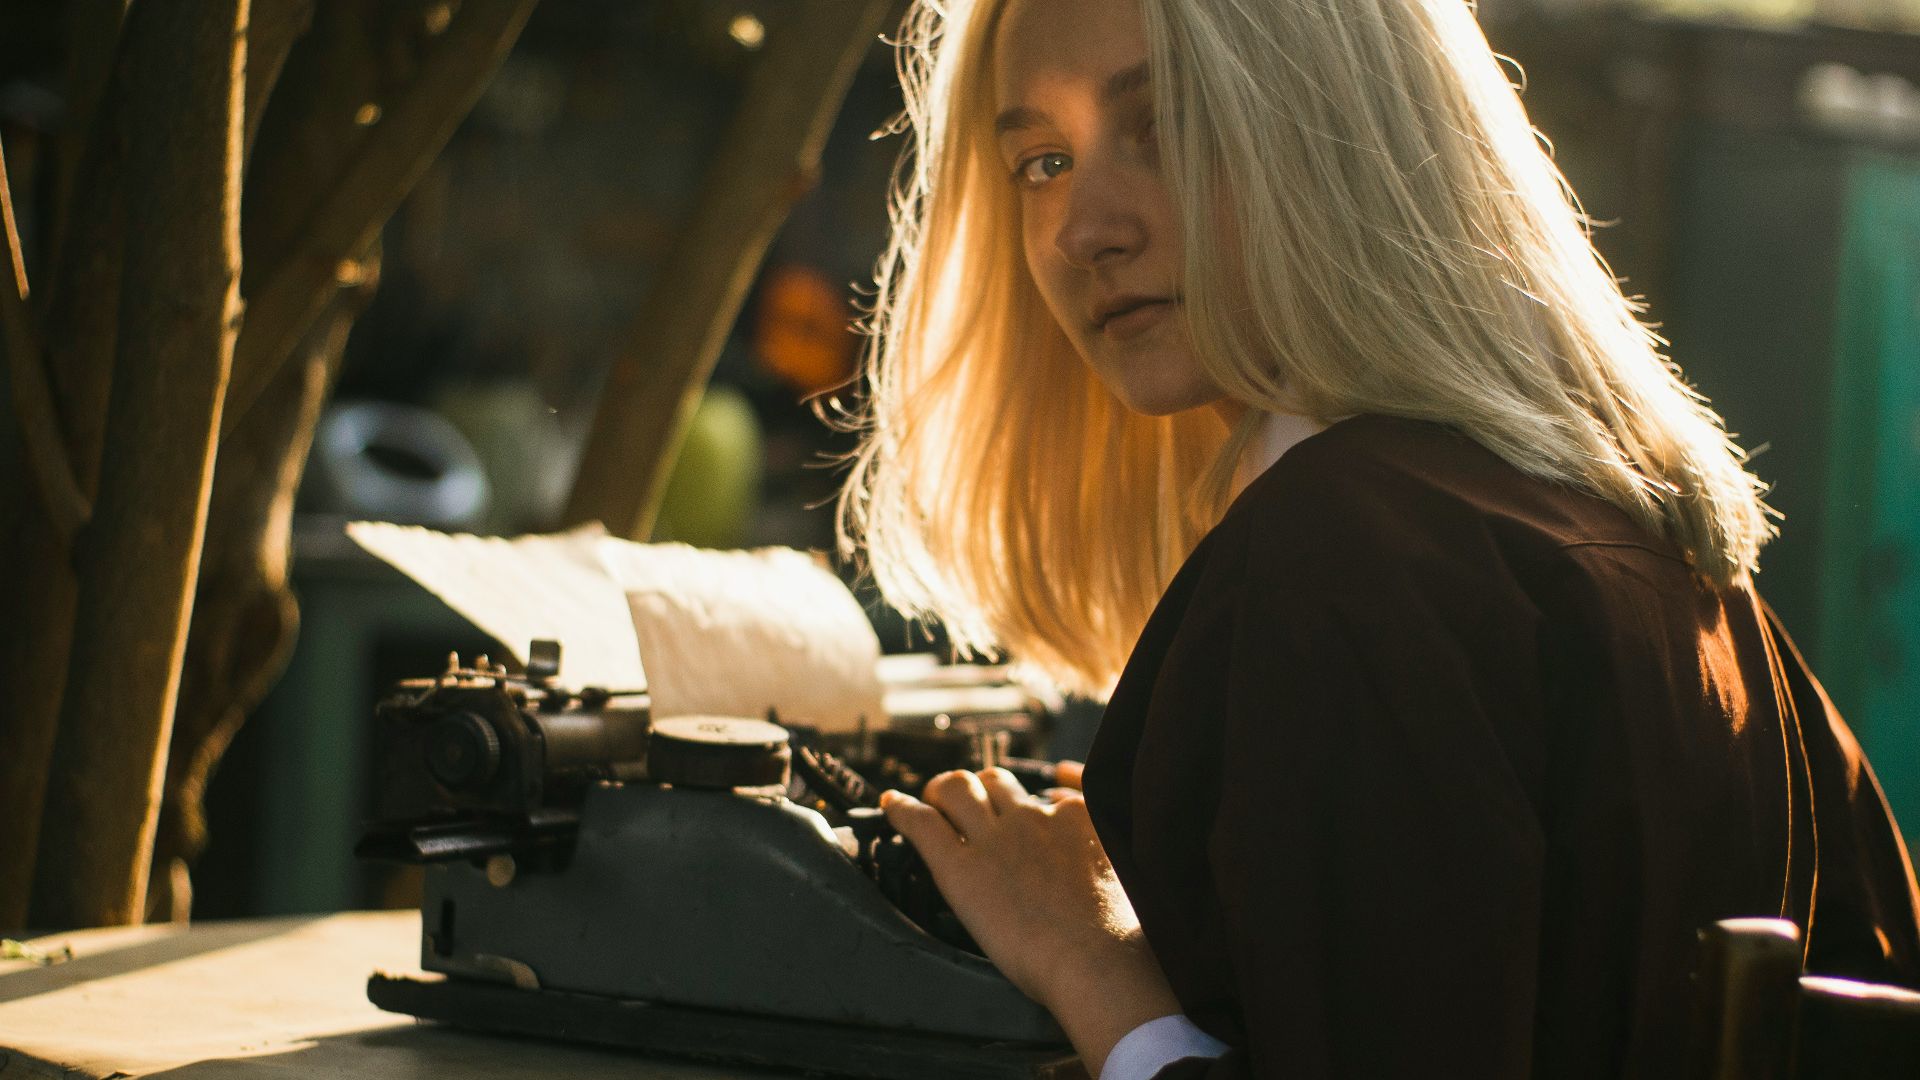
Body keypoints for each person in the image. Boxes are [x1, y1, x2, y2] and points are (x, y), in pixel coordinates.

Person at [835, 0, 1920, 1075]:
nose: (1082, 229)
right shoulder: (1675, 569)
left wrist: (1093, 964)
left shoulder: (1345, 556)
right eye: (1040, 162)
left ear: (1341, 125)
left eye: (1167, 126)